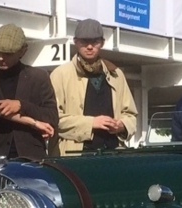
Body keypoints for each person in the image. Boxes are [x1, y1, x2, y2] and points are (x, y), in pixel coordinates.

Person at [51, 19, 138, 154]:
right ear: (75, 42)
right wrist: (91, 123)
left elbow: (131, 115)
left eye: (95, 42)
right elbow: (53, 119)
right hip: (75, 156)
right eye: (84, 42)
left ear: (102, 43)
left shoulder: (116, 74)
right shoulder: (60, 74)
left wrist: (122, 125)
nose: (89, 47)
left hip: (113, 154)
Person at [0, 24, 58, 159]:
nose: (1, 58)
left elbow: (52, 117)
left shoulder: (38, 77)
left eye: (8, 54)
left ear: (23, 51)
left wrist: (22, 105)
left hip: (31, 158)